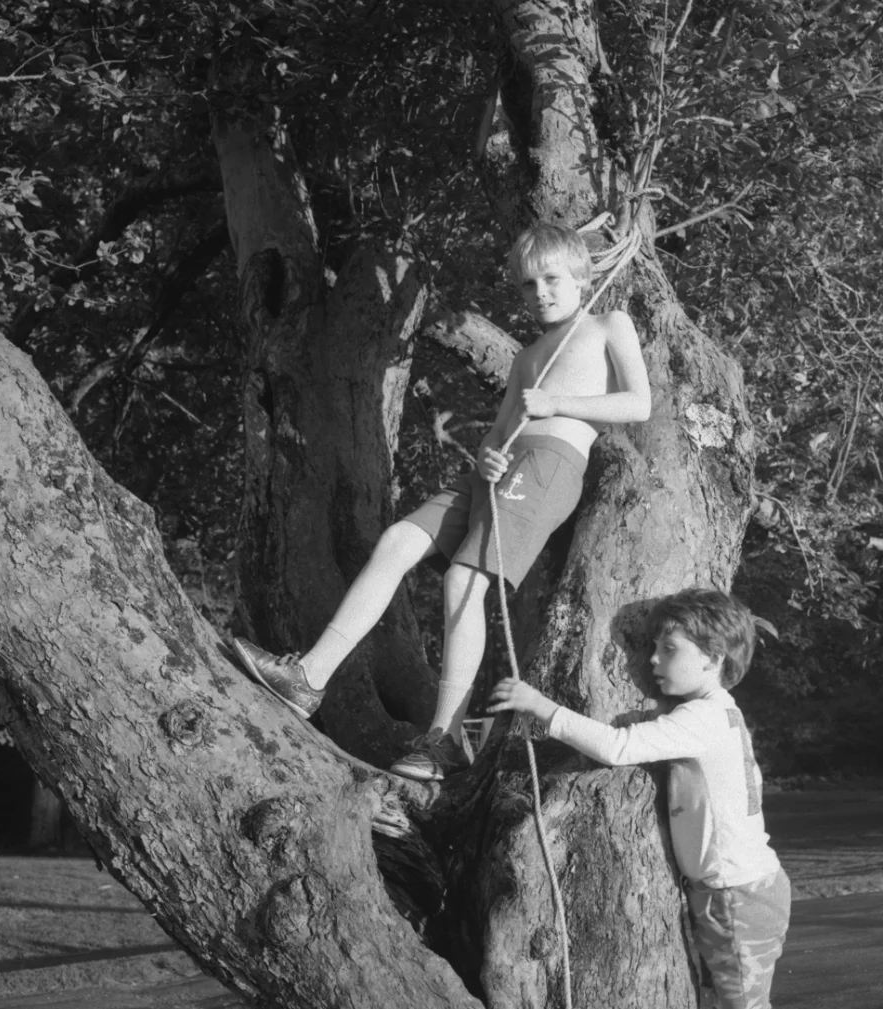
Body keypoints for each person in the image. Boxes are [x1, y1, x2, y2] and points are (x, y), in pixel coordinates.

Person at [232, 222, 651, 781]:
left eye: (552, 279)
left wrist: (558, 403)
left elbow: (639, 404)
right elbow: (497, 433)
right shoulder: (527, 356)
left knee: (463, 580)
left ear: (581, 276)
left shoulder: (607, 324)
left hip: (550, 464)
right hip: (499, 471)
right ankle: (309, 677)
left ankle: (445, 739)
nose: (541, 293)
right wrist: (488, 455)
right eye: (528, 284)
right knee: (398, 540)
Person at [487, 588, 789, 1009]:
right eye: (653, 648)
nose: (653, 660)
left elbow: (618, 747)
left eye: (669, 649)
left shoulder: (702, 718)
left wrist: (541, 707)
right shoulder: (717, 712)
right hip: (735, 890)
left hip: (736, 895)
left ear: (713, 658)